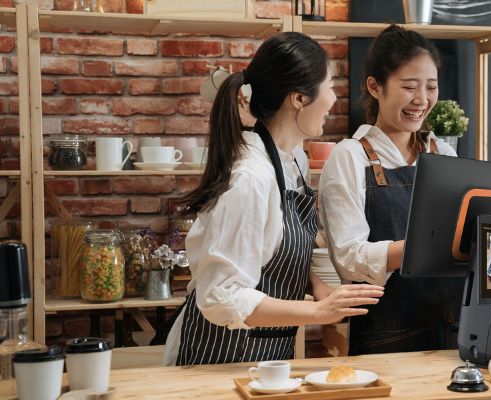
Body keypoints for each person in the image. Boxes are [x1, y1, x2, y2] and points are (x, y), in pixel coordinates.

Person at [164, 32, 384, 366]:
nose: (334, 99)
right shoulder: (249, 180)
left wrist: (316, 285)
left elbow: (271, 249)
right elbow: (221, 296)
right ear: (298, 98)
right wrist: (318, 311)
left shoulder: (293, 158)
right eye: (329, 86)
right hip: (218, 358)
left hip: (265, 358)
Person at [319, 25, 462, 355]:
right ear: (375, 86)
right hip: (386, 337)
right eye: (409, 87)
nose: (422, 100)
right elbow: (349, 259)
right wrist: (417, 248)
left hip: (453, 333)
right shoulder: (350, 157)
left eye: (431, 87)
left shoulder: (443, 152)